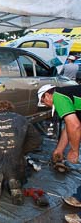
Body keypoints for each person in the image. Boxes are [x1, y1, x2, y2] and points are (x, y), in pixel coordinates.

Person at [0, 101, 42, 205]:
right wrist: (21, 149)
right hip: (15, 163)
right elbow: (37, 140)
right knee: (17, 170)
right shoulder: (21, 119)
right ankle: (14, 181)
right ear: (11, 109)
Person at [37, 84, 81, 221]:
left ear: (48, 95)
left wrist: (74, 151)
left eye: (43, 101)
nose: (45, 105)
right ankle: (80, 197)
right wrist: (59, 149)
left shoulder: (59, 97)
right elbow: (69, 127)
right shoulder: (66, 96)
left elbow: (75, 125)